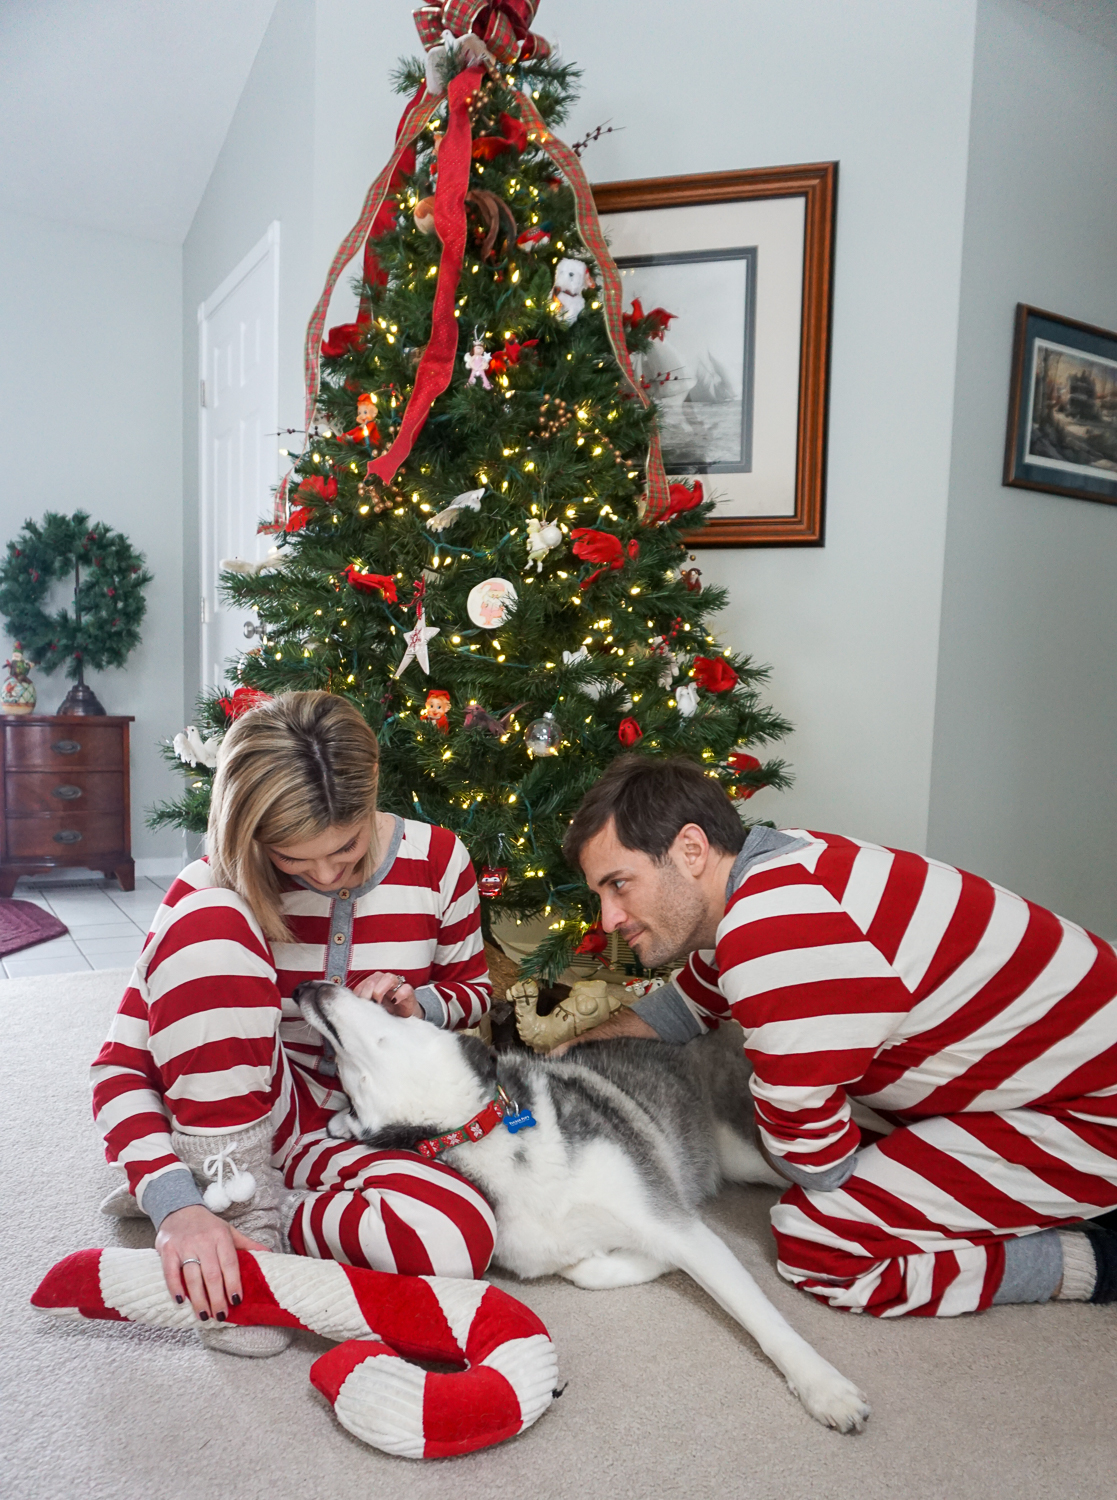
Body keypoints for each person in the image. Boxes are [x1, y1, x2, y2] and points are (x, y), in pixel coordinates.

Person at [560, 755, 1117, 1318]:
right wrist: (573, 1054)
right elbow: (687, 1006)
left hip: (1091, 1110)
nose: (608, 919)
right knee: (826, 1107)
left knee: (819, 1242)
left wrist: (783, 1118)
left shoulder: (775, 939)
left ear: (691, 850)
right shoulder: (781, 865)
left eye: (619, 884)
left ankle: (1092, 1259)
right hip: (1056, 1071)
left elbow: (818, 1165)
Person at [91, 691, 495, 1357]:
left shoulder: (439, 861)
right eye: (294, 859)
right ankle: (227, 1206)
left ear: (370, 799)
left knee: (458, 1238)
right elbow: (120, 1069)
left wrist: (417, 1004)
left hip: (356, 1132)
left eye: (344, 848)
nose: (328, 876)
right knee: (211, 925)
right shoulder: (208, 889)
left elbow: (473, 992)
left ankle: (258, 1215)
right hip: (232, 1116)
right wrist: (175, 1206)